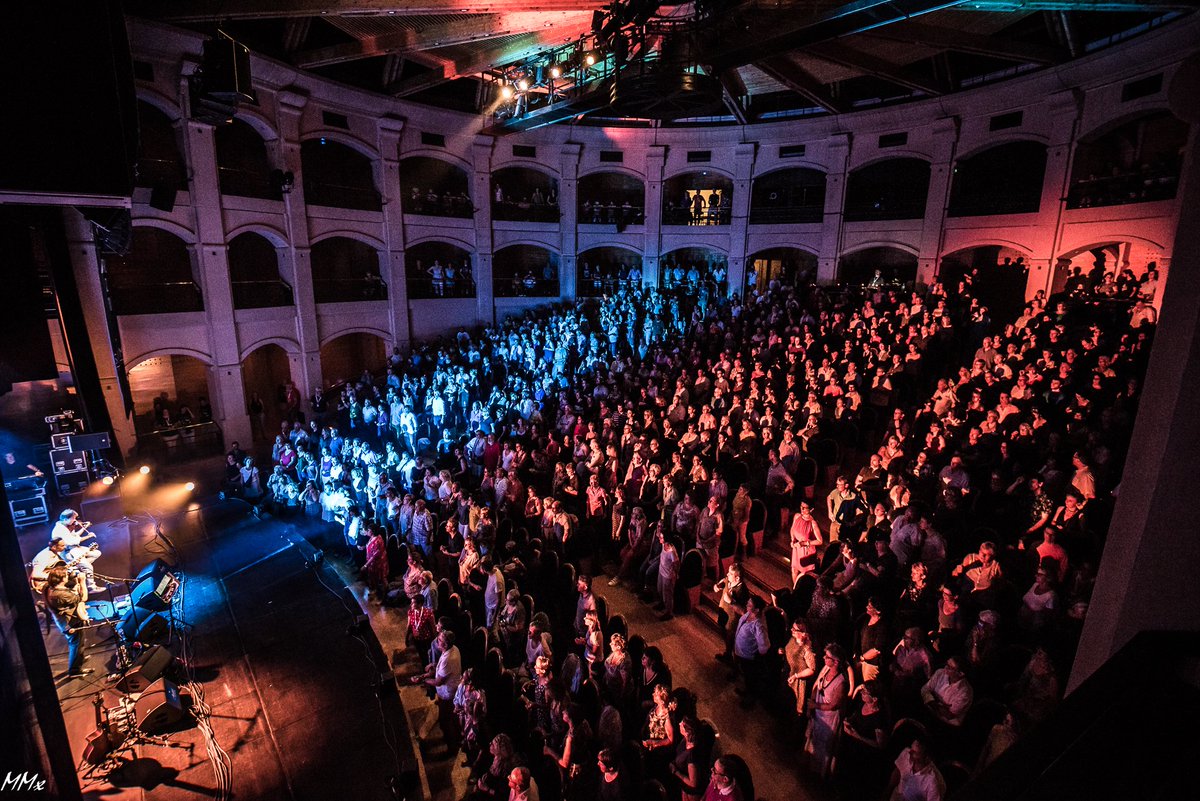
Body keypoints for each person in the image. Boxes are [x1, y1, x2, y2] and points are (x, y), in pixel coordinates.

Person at [805, 643, 850, 777]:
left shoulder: (841, 683)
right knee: (813, 741)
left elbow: (833, 705)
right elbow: (817, 686)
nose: (824, 658)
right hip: (818, 715)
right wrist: (812, 705)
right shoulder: (825, 669)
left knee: (823, 747)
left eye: (827, 656)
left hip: (829, 720)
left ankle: (819, 775)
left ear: (836, 662)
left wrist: (815, 706)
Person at [43, 567, 92, 676]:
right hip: (70, 623)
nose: (67, 576)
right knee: (76, 644)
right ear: (61, 579)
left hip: (64, 621)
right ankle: (74, 670)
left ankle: (79, 659)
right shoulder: (61, 595)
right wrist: (82, 581)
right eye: (65, 575)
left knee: (79, 643)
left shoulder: (49, 587)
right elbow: (83, 597)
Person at [784, 620, 818, 716]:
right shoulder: (793, 639)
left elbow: (812, 669)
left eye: (795, 629)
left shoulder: (807, 650)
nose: (792, 630)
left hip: (798, 682)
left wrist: (796, 676)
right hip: (788, 674)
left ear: (803, 634)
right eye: (792, 627)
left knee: (794, 709)